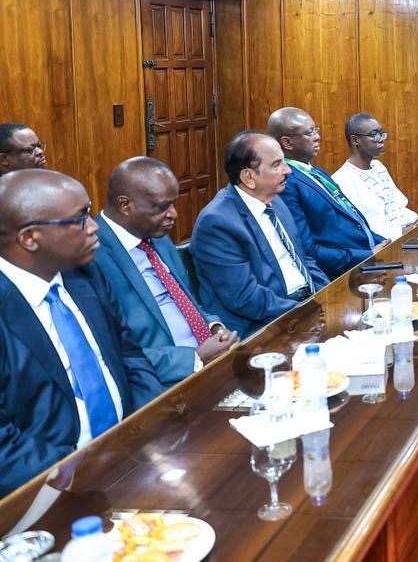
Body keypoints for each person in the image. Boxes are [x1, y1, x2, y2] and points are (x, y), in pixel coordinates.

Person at [0, 170, 164, 495]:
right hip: (51, 489)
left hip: (132, 456)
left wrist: (145, 426)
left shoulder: (86, 275)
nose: (94, 226)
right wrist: (82, 472)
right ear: (29, 238)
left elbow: (129, 355)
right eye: (79, 218)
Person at [93, 157, 238, 387]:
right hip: (164, 384)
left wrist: (214, 327)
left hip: (211, 362)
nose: (174, 214)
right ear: (124, 205)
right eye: (162, 207)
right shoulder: (92, 256)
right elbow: (112, 354)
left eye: (173, 204)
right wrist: (195, 358)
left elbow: (188, 303)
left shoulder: (155, 235)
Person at [190, 131, 328, 335]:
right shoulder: (216, 222)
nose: (288, 170)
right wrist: (305, 311)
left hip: (304, 308)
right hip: (264, 327)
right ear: (249, 177)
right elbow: (245, 297)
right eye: (276, 165)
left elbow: (304, 259)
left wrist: (327, 295)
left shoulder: (275, 200)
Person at [268, 107, 384, 278]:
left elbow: (351, 216)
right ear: (287, 143)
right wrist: (367, 255)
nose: (317, 137)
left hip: (368, 254)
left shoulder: (316, 171)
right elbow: (307, 250)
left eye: (316, 130)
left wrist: (382, 242)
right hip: (345, 272)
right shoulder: (286, 183)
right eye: (310, 133)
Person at [332, 113, 418, 240]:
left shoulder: (378, 166)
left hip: (405, 235)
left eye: (381, 133)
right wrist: (401, 232)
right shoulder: (342, 179)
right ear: (355, 140)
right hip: (383, 244)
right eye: (374, 134)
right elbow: (362, 226)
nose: (381, 139)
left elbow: (397, 205)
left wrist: (415, 222)